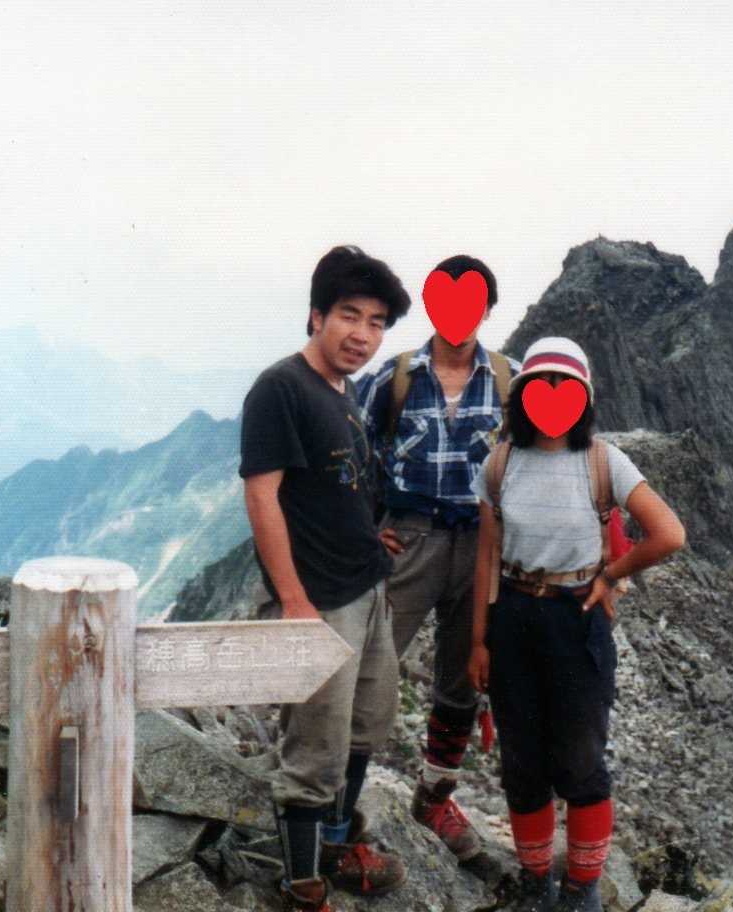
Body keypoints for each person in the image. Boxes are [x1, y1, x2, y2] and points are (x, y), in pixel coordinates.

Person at [467, 337, 687, 912]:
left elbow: (669, 534)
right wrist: (478, 642)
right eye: (541, 389)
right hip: (513, 618)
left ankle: (581, 887)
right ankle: (538, 881)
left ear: (584, 399)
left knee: (580, 759)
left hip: (576, 618)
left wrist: (611, 574)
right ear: (522, 397)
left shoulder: (603, 462)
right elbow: (486, 557)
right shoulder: (500, 464)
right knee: (522, 762)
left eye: (566, 390)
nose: (552, 400)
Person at [239, 245, 412, 912]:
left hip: (367, 589)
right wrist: (293, 602)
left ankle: (336, 844)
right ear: (316, 315)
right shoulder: (280, 388)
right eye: (349, 315)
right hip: (318, 601)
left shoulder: (344, 391)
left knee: (367, 724)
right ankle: (303, 886)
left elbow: (341, 480)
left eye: (376, 323)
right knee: (315, 748)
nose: (362, 335)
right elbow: (262, 496)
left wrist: (371, 535)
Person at [358, 254, 521, 862]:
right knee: (369, 664)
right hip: (410, 538)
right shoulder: (393, 378)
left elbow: (540, 463)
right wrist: (364, 531)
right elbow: (352, 456)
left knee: (464, 677)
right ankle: (332, 798)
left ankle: (434, 796)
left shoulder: (513, 381)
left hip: (483, 546)